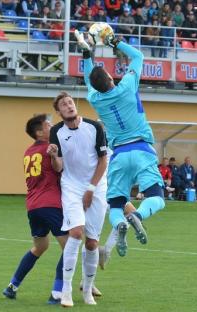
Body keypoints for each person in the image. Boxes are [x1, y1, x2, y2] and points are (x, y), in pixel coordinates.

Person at [75, 26, 165, 261]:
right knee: (156, 197)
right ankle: (139, 215)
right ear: (110, 77)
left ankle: (121, 224)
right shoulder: (127, 86)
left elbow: (88, 79)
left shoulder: (95, 99)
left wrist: (86, 53)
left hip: (119, 155)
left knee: (115, 205)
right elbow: (138, 57)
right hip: (142, 149)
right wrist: (114, 42)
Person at [48, 92, 108, 307]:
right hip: (72, 186)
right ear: (59, 111)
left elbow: (103, 161)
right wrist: (53, 156)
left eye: (71, 102)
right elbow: (59, 167)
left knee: (92, 243)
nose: (69, 106)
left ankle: (87, 290)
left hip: (97, 186)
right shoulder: (56, 132)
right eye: (64, 104)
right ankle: (66, 291)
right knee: (75, 232)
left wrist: (91, 189)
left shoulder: (94, 127)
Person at [3, 114, 68, 304]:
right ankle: (56, 293)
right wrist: (56, 156)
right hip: (51, 204)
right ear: (39, 132)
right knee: (71, 246)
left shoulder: (28, 152)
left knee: (40, 246)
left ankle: (12, 286)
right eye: (48, 125)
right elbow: (57, 169)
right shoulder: (49, 149)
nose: (52, 126)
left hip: (33, 206)